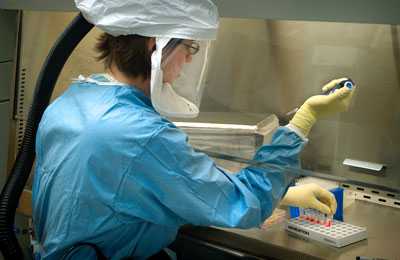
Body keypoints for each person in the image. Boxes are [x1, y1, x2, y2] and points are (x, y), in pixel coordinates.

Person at [31, 0, 355, 259]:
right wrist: (305, 118)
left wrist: (286, 196)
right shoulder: (141, 134)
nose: (187, 60)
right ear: (154, 47)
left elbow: (133, 194)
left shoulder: (70, 103)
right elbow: (248, 205)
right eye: (188, 46)